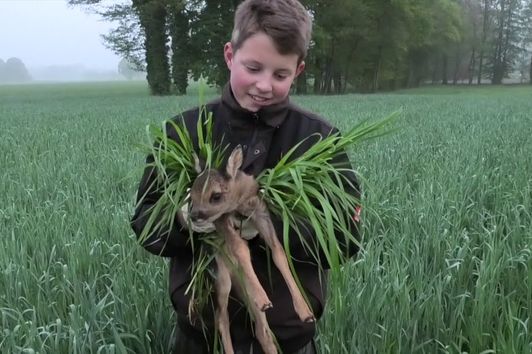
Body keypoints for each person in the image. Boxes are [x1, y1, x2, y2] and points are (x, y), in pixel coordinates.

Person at [131, 0, 361, 353]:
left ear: (297, 71)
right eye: (252, 68)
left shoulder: (319, 139)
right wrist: (185, 219)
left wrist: (270, 222)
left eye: (280, 75)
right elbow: (145, 222)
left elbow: (345, 238)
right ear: (229, 55)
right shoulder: (183, 131)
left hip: (289, 340)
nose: (264, 85)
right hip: (201, 339)